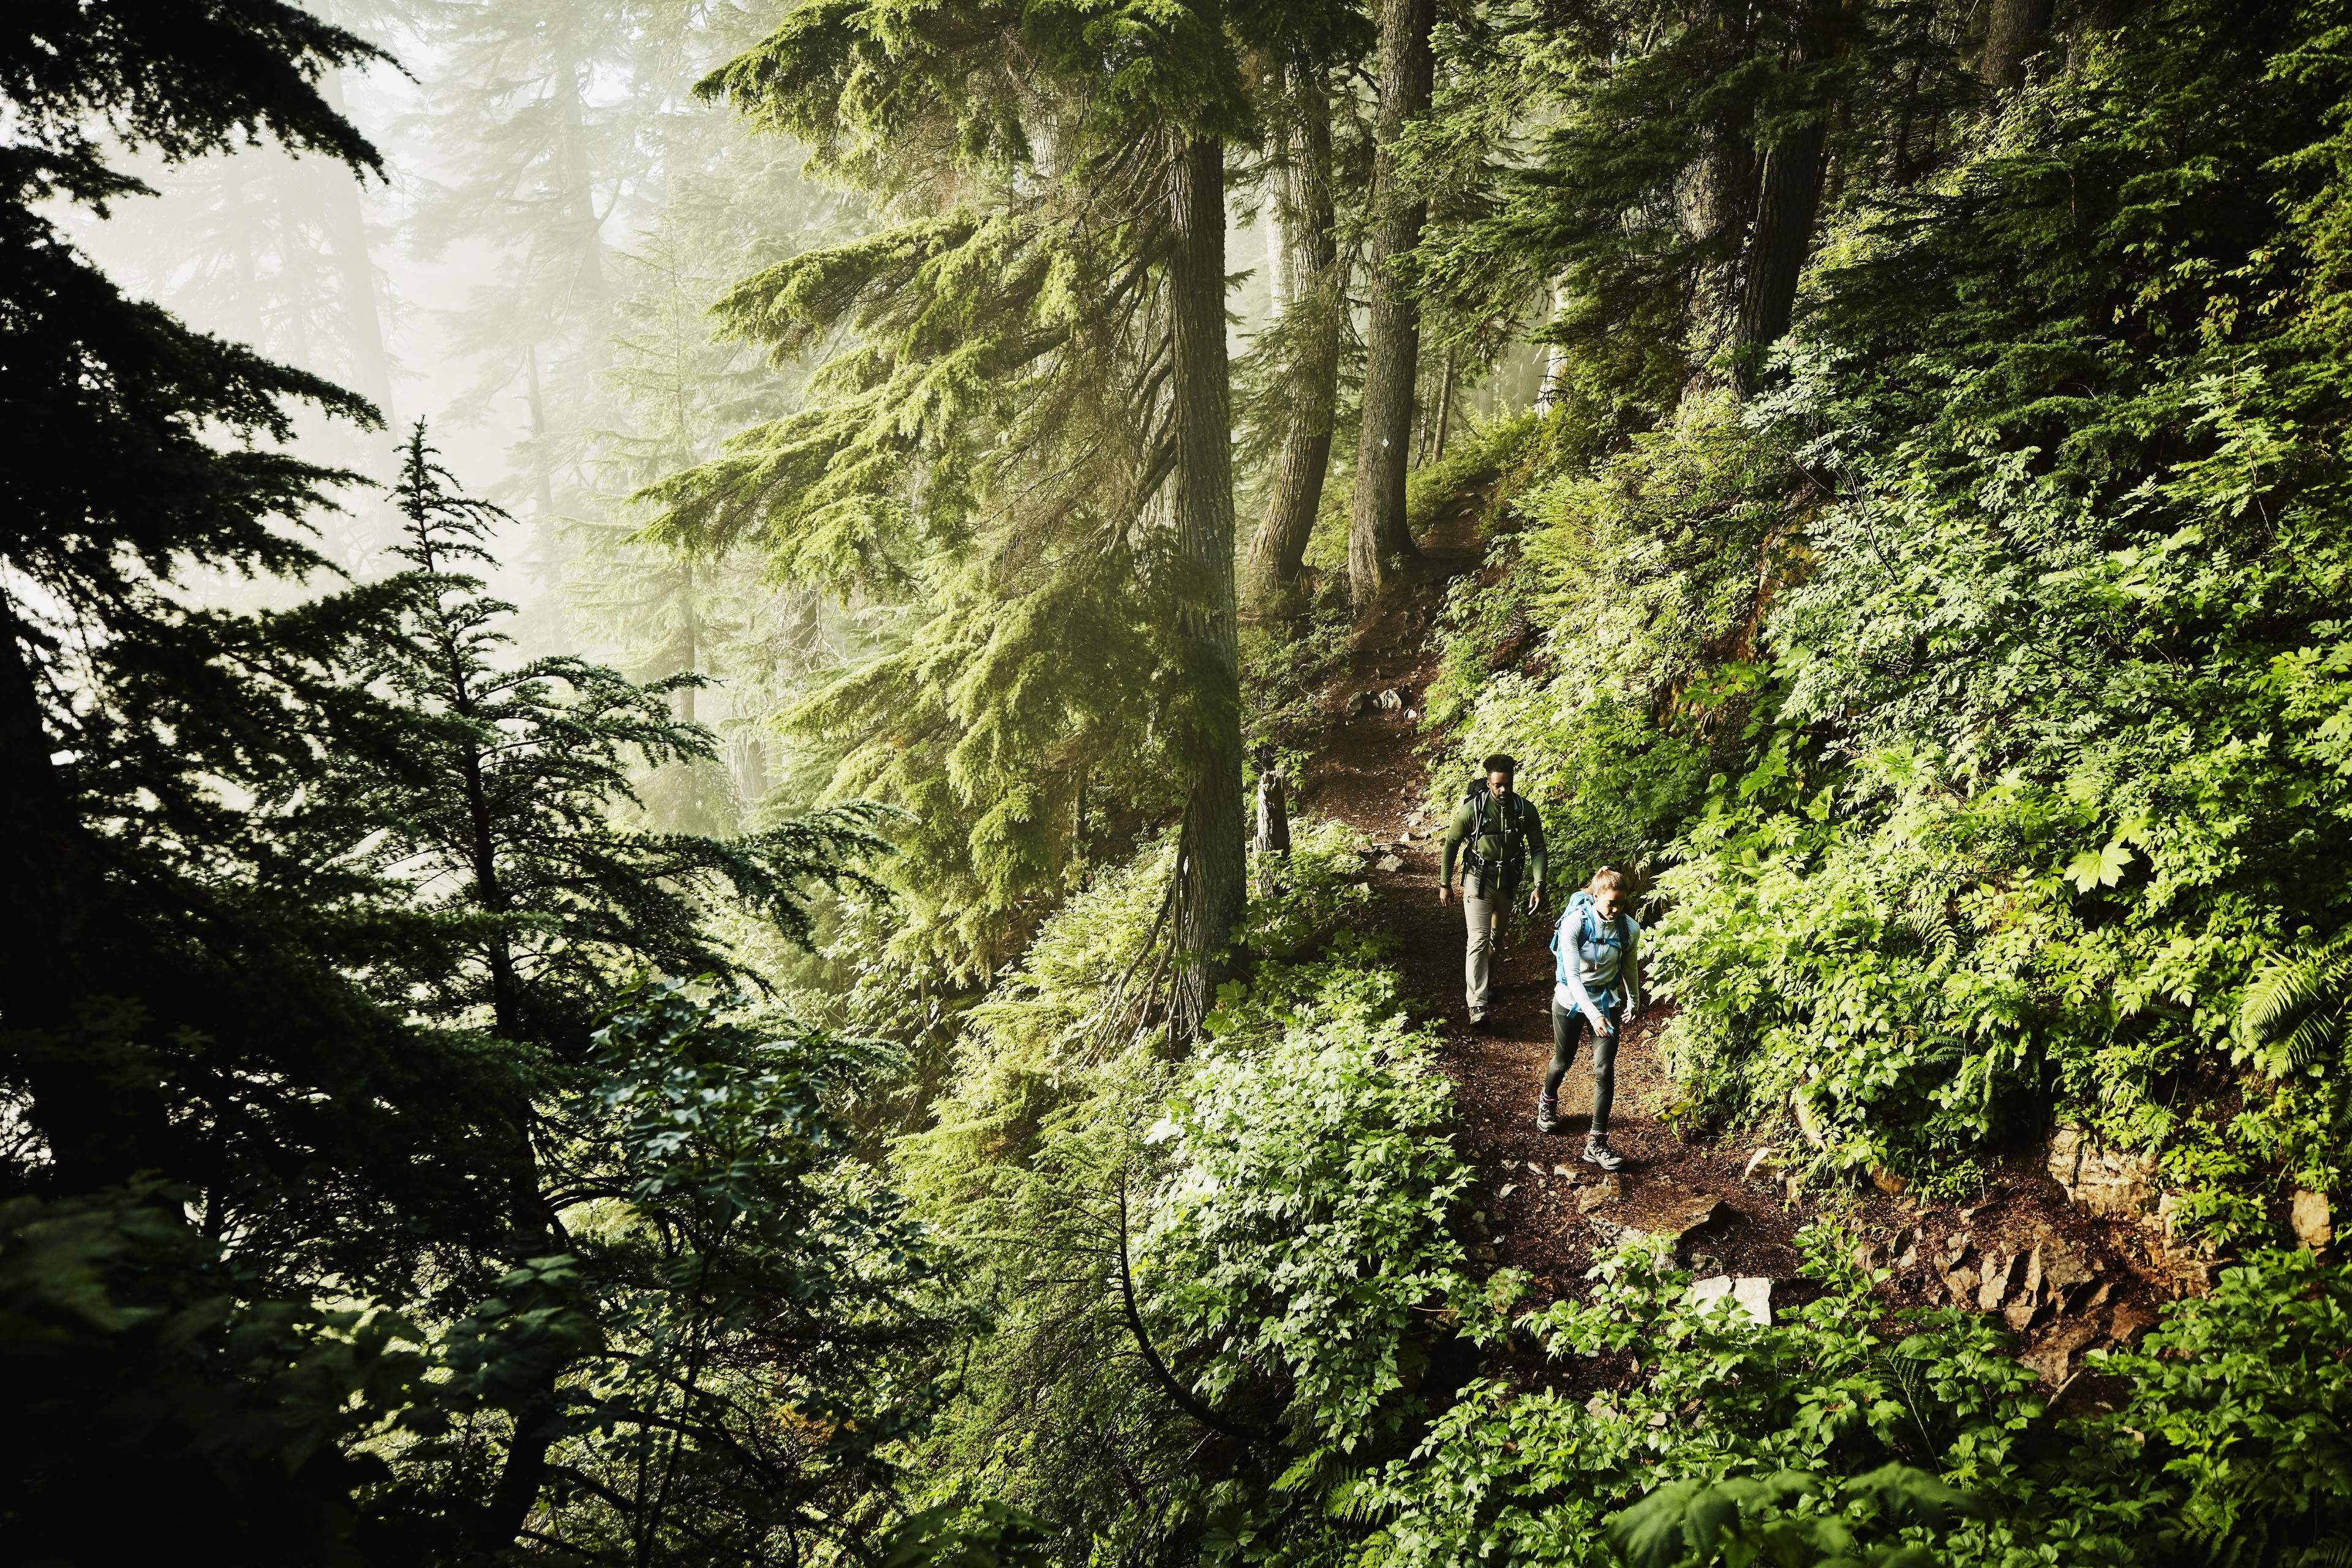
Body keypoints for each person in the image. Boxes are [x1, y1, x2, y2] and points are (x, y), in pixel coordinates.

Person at [1540, 866, 1639, 1170]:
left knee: (1604, 1069)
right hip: (1570, 999)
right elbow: (1572, 975)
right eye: (1611, 903)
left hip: (1606, 1003)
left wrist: (1633, 999)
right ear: (1595, 896)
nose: (1616, 909)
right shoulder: (1574, 924)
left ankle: (1596, 1142)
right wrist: (1592, 1014)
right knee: (1563, 1061)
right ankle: (1548, 1100)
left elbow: (1629, 967)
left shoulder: (1629, 929)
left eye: (1621, 903)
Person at [1438, 754, 1547, 1027]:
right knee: (1478, 938)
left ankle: (1482, 983)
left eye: (1507, 784)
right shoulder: (1472, 810)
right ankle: (1477, 1006)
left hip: (1507, 883)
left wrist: (1539, 884)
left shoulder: (1524, 810)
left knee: (1496, 938)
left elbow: (1537, 848)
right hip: (1478, 880)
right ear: (1488, 783)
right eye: (1497, 785)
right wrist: (1445, 883)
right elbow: (1451, 844)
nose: (1503, 790)